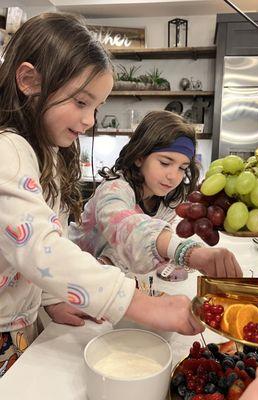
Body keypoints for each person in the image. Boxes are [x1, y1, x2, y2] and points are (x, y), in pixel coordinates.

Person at [0, 12, 204, 377]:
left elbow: (34, 239)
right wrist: (139, 304)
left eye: (96, 107)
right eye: (81, 102)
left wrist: (49, 299)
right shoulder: (7, 151)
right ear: (29, 80)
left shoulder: (43, 152)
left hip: (20, 321)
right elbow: (42, 248)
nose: (91, 119)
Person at [57, 110, 243, 326]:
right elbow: (127, 227)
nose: (173, 176)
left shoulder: (167, 199)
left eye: (182, 168)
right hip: (71, 286)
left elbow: (130, 253)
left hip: (109, 285)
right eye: (165, 163)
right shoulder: (115, 189)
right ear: (139, 157)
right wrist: (187, 252)